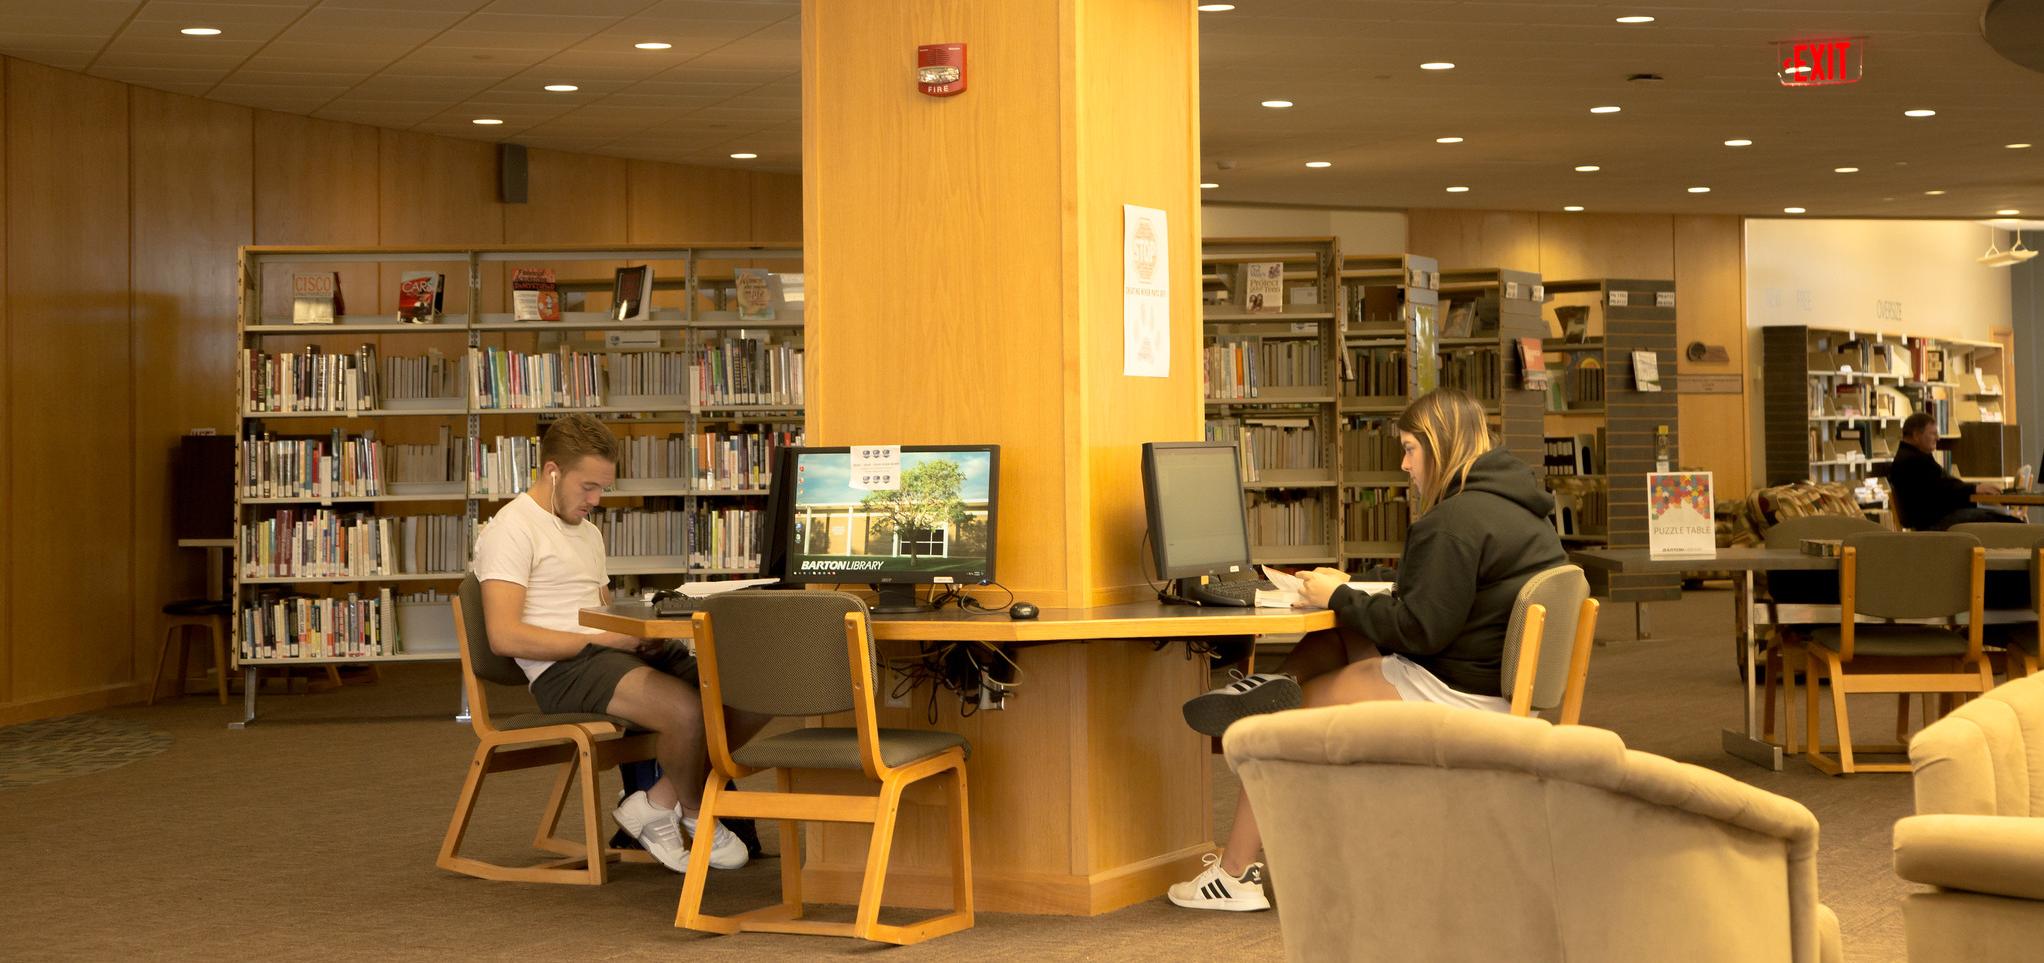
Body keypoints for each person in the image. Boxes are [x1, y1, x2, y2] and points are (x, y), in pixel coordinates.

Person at [1167, 388, 1568, 912]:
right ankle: (1268, 687)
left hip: (1454, 692)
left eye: (1409, 450)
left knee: (1273, 730)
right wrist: (1351, 596)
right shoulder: (1521, 512)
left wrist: (1338, 594)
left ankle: (1235, 876)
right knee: (1335, 635)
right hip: (1492, 680)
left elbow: (1420, 629)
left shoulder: (1452, 525)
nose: (1404, 465)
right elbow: (1444, 600)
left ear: (1440, 445)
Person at [472, 414, 768, 874]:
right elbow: (504, 635)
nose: (596, 500)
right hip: (560, 670)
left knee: (759, 685)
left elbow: (602, 607)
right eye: (587, 486)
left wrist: (636, 630)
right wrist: (607, 638)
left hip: (609, 651)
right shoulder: (512, 529)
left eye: (602, 488)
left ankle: (656, 802)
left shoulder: (587, 531)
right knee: (685, 712)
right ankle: (695, 812)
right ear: (553, 472)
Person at [1888, 412, 2017, 530]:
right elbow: (1943, 488)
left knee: (1999, 517)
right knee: (2007, 523)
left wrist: (1974, 488)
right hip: (1933, 523)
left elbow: (1943, 484)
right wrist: (1974, 489)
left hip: (1934, 519)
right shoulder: (1913, 461)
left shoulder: (1913, 457)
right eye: (1933, 433)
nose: (1938, 438)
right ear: (1916, 435)